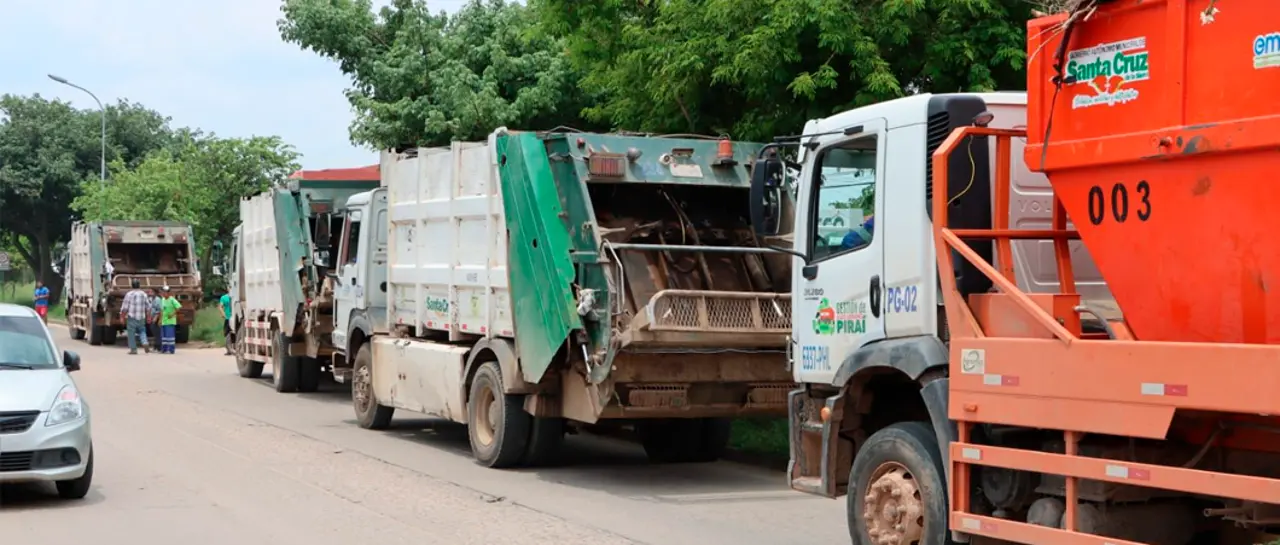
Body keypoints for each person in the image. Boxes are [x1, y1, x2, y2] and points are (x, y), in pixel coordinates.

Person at [119, 279, 151, 355]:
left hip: (132, 317)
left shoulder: (129, 294)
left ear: (132, 285)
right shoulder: (144, 294)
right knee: (142, 331)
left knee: (131, 333)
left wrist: (122, 317)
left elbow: (124, 308)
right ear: (139, 285)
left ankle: (133, 349)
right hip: (141, 317)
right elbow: (148, 307)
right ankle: (145, 342)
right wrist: (149, 316)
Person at [158, 286, 182, 354]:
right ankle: (164, 349)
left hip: (170, 321)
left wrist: (172, 314)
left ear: (169, 293)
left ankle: (171, 349)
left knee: (170, 336)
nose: (164, 293)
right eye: (163, 292)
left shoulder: (172, 300)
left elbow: (178, 307)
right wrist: (160, 320)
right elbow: (162, 310)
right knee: (164, 337)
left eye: (165, 292)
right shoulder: (162, 300)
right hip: (164, 321)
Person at [219, 290, 234, 356]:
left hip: (228, 318)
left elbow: (220, 307)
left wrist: (223, 314)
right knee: (230, 333)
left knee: (227, 333)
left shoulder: (224, 297)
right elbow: (220, 307)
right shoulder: (234, 297)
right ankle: (230, 349)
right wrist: (223, 314)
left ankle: (229, 350)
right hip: (233, 317)